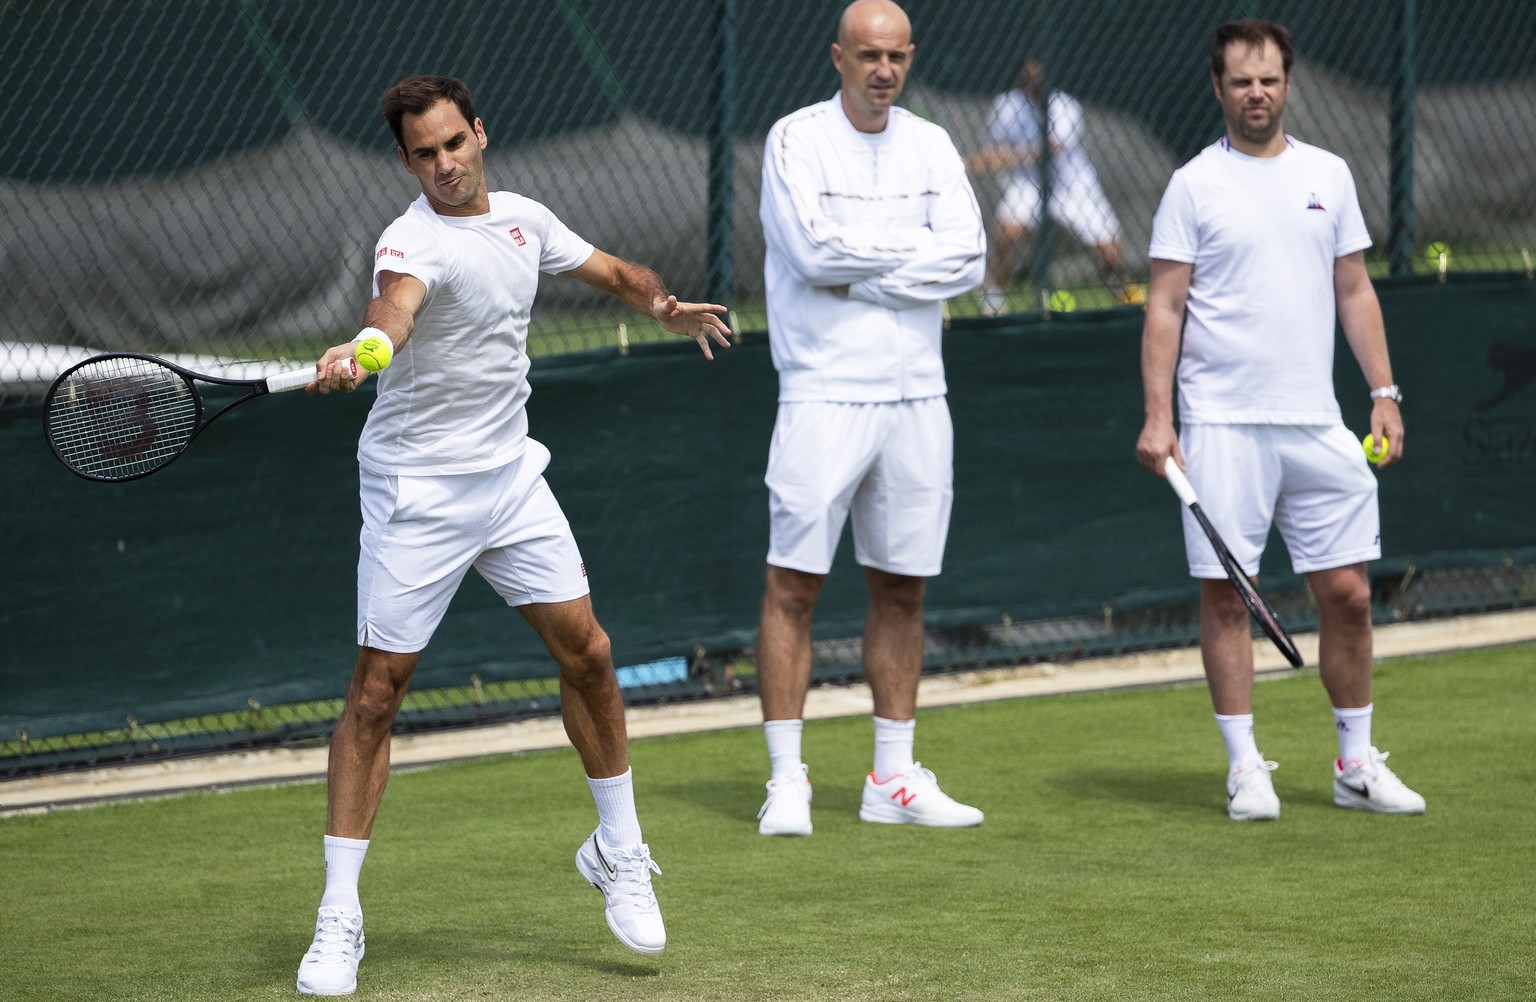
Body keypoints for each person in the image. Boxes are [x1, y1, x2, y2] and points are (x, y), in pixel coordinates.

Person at [292, 75, 732, 995]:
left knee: (592, 655)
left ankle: (619, 849)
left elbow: (613, 272)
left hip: (509, 481)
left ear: (479, 134)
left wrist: (663, 306)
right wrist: (361, 353)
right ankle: (340, 914)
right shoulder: (410, 241)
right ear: (406, 161)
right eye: (425, 154)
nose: (446, 165)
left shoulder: (527, 218)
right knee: (376, 694)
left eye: (456, 144)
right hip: (418, 491)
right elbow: (393, 314)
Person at [1134, 20, 1425, 822]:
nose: (1255, 93)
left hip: (1316, 420)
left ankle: (1356, 763)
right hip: (1221, 423)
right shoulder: (1193, 184)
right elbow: (1165, 306)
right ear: (1218, 89)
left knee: (1351, 594)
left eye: (1267, 79)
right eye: (1240, 81)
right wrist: (1161, 418)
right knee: (1229, 599)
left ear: (1287, 82)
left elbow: (1355, 288)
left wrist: (1385, 391)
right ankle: (1245, 767)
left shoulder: (1328, 173)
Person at [753, 0, 986, 838]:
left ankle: (891, 777)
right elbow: (810, 254)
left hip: (920, 396)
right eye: (867, 56)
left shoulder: (931, 142)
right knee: (794, 583)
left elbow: (970, 255)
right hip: (821, 391)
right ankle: (786, 780)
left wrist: (866, 270)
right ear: (838, 57)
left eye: (895, 56)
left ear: (910, 57)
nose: (882, 70)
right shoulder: (794, 139)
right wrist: (910, 258)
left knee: (903, 586)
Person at [966, 57, 1139, 315]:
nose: (1033, 81)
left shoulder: (1065, 107)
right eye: (1029, 75)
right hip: (1028, 183)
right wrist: (981, 160)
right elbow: (992, 149)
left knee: (1108, 249)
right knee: (1007, 233)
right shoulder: (1006, 106)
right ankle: (993, 299)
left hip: (1072, 185)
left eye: (1039, 76)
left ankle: (1126, 294)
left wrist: (999, 158)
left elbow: (1050, 151)